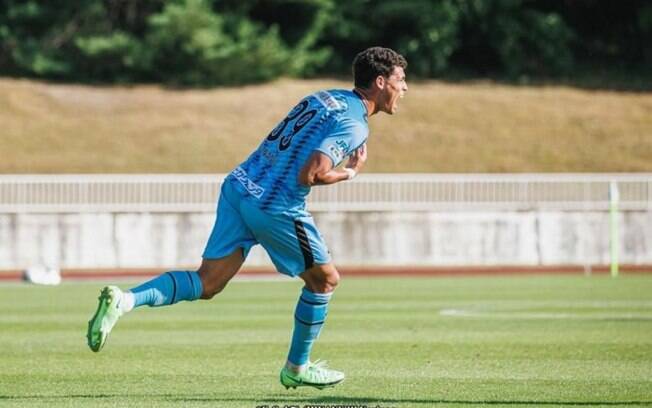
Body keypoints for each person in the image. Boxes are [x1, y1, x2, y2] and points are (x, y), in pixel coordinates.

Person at [86, 46, 408, 390]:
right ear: (380, 81)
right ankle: (296, 368)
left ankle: (126, 301)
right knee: (324, 281)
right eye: (400, 80)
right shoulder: (354, 123)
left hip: (240, 186)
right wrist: (350, 173)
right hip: (274, 204)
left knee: (208, 283)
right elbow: (312, 173)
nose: (404, 89)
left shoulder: (324, 97)